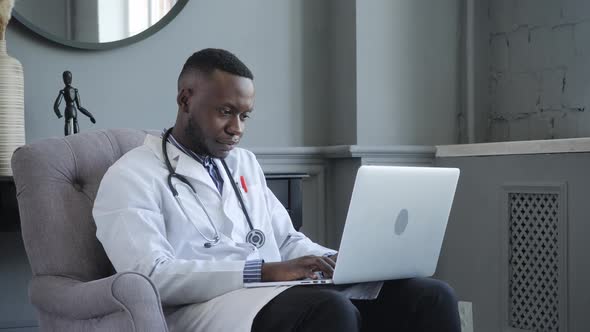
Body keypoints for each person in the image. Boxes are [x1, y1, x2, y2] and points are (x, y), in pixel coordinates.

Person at [92, 48, 461, 332]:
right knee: (331, 311)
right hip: (207, 307)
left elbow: (286, 241)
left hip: (279, 294)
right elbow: (149, 277)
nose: (237, 128)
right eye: (225, 111)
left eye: (244, 115)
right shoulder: (132, 176)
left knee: (429, 296)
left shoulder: (243, 163)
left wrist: (337, 261)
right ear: (186, 99)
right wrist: (262, 272)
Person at [53, 70, 96, 136]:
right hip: (74, 110)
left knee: (67, 124)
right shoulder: (75, 90)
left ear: (64, 79)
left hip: (68, 110)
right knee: (75, 123)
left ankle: (69, 142)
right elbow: (80, 107)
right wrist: (90, 115)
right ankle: (77, 141)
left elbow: (56, 105)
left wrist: (58, 114)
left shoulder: (63, 91)